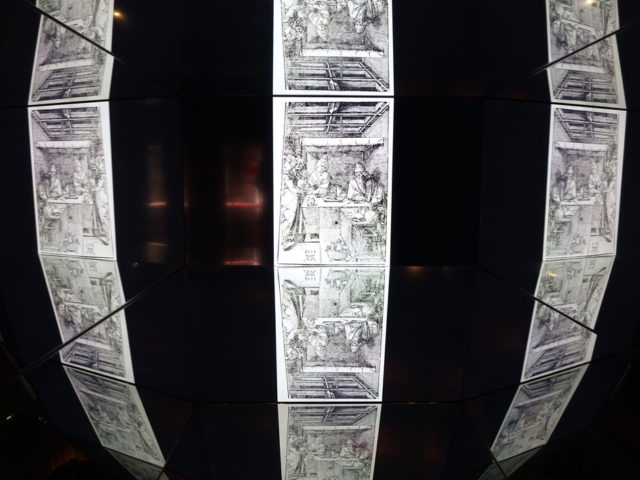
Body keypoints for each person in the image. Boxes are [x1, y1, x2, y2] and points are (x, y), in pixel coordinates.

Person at [88, 159, 110, 245]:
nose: (93, 167)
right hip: (97, 197)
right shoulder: (95, 173)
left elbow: (98, 187)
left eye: (94, 165)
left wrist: (90, 188)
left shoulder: (102, 175)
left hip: (101, 197)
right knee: (98, 216)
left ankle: (108, 238)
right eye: (91, 165)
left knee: (103, 217)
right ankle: (102, 233)